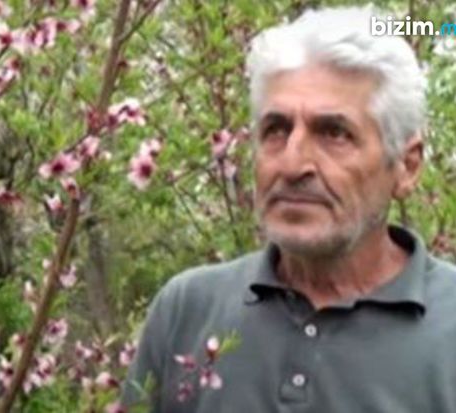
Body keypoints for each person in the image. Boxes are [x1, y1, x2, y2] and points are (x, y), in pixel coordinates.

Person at [121, 5, 456, 413]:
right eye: (276, 130)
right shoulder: (188, 309)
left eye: (334, 133)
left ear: (406, 166)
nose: (293, 164)